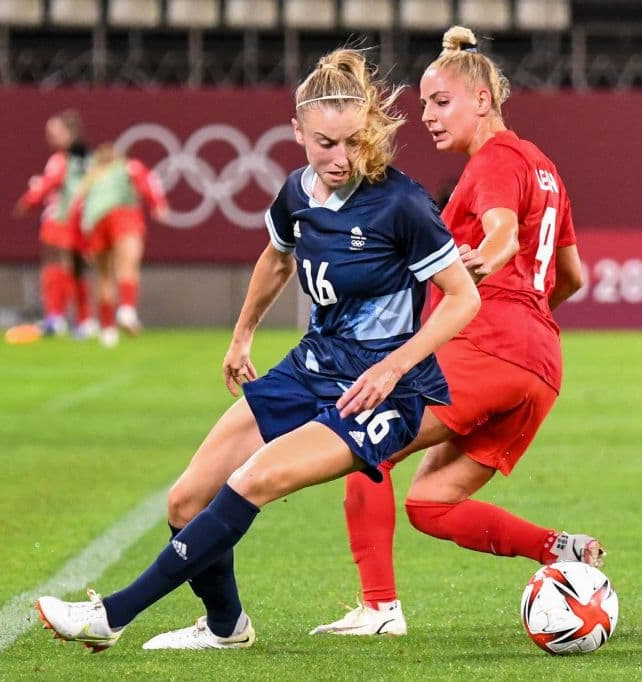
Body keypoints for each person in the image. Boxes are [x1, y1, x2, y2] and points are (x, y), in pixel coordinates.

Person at [33, 48, 480, 652]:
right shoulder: (296, 192)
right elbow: (276, 257)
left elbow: (462, 299)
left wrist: (393, 365)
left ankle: (111, 615)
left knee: (253, 479)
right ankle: (226, 627)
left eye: (353, 141)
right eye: (325, 143)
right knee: (187, 499)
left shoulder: (401, 204)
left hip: (383, 391)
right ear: (297, 132)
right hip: (311, 366)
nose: (341, 158)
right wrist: (242, 333)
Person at [310, 26, 600, 637]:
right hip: (540, 365)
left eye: (441, 102)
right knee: (430, 503)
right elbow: (572, 276)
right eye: (423, 105)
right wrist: (524, 303)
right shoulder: (544, 168)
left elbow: (499, 231)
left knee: (365, 442)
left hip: (487, 347)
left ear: (483, 100)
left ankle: (379, 609)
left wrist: (491, 260)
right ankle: (560, 549)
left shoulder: (493, 161)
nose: (428, 117)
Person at [72, 143, 168, 347]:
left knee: (104, 276)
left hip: (95, 222)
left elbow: (78, 209)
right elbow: (147, 181)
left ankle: (107, 331)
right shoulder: (127, 166)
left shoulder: (92, 177)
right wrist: (157, 204)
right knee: (127, 267)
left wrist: (84, 242)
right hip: (123, 216)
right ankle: (126, 310)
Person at [13, 110, 96, 337]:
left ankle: (55, 317)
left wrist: (27, 201)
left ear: (70, 133)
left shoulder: (60, 160)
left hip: (60, 220)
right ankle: (84, 319)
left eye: (55, 131)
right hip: (82, 221)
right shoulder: (87, 159)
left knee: (54, 266)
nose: (50, 136)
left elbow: (49, 184)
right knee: (77, 270)